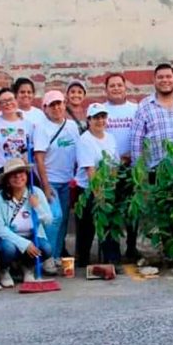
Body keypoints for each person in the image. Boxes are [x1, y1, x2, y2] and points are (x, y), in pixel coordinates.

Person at [34, 90, 80, 273]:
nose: (57, 108)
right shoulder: (42, 128)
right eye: (52, 105)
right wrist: (45, 185)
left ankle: (57, 254)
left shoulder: (72, 126)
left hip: (67, 181)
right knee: (55, 217)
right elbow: (39, 158)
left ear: (64, 104)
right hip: (51, 180)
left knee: (64, 220)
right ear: (45, 108)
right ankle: (47, 257)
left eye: (59, 103)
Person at [0, 159, 54, 284]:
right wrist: (25, 244)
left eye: (21, 173)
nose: (18, 177)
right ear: (7, 180)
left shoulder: (36, 193)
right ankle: (4, 270)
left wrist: (37, 206)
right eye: (13, 174)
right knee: (8, 248)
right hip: (8, 239)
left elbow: (48, 221)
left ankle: (28, 268)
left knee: (46, 248)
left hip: (31, 236)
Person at [74, 103, 120, 268]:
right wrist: (99, 195)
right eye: (96, 118)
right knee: (86, 226)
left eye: (103, 117)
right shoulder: (85, 140)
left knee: (109, 224)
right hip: (88, 189)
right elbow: (90, 170)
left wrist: (111, 187)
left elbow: (114, 164)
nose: (100, 121)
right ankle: (83, 259)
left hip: (107, 188)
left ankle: (112, 258)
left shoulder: (110, 137)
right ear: (89, 120)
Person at [103, 73, 141, 260]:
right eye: (112, 86)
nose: (116, 88)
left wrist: (132, 156)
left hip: (131, 167)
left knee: (132, 209)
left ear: (125, 88)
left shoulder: (136, 109)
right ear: (106, 90)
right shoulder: (101, 110)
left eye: (119, 85)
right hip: (108, 169)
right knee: (110, 209)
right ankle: (112, 251)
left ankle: (132, 247)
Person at [0, 86, 32, 193]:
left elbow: (29, 148)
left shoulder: (27, 124)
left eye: (11, 99)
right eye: (3, 101)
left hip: (19, 172)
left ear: (16, 100)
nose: (8, 103)